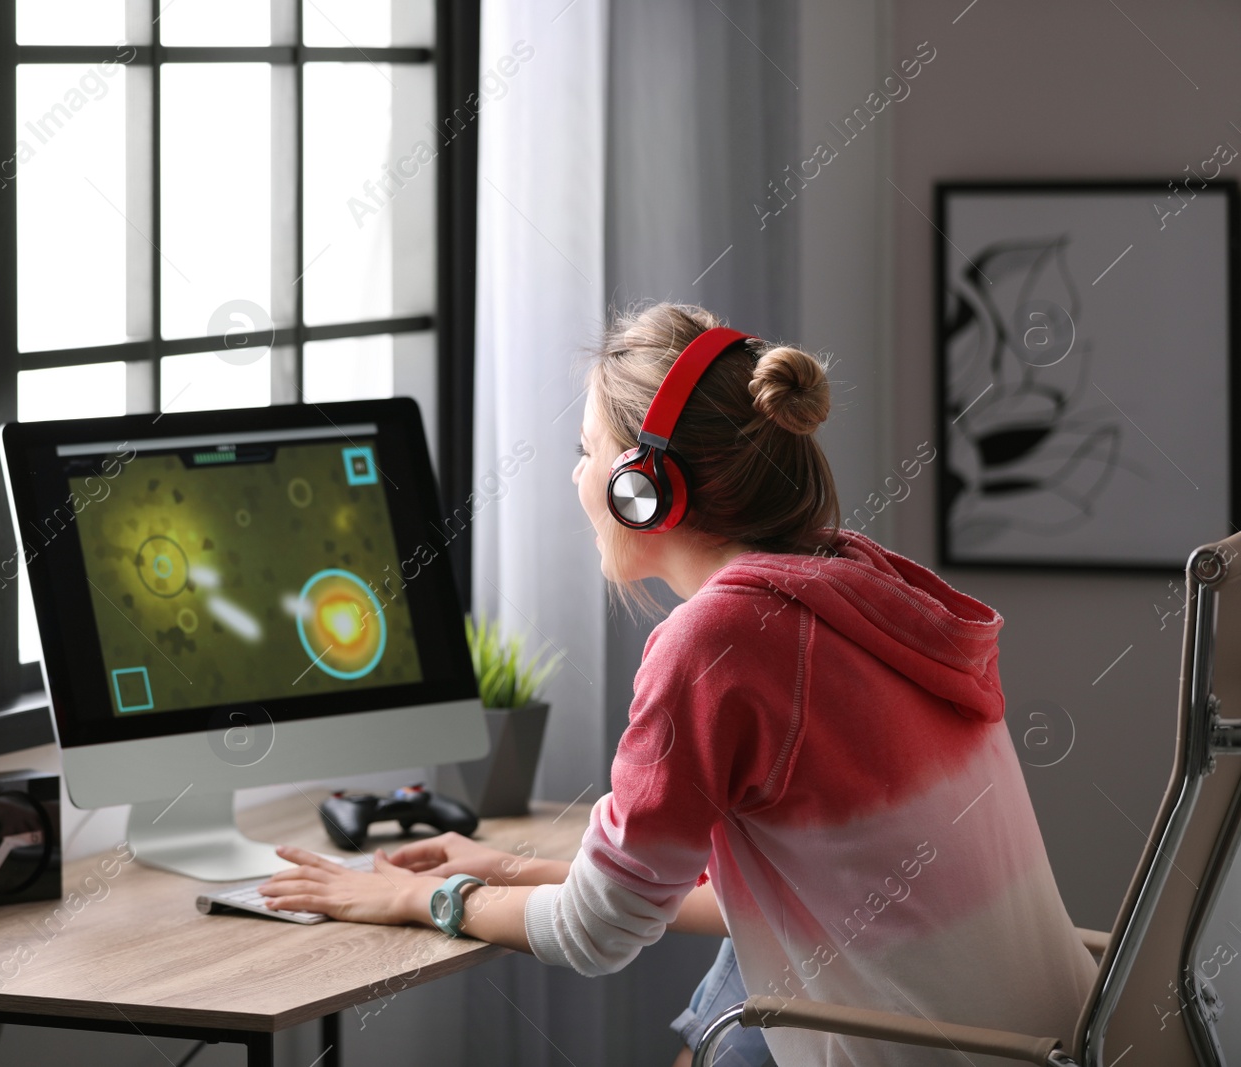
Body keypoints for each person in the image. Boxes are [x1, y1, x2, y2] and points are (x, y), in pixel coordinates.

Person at [258, 302, 1097, 1065]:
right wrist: (512, 867)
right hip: (1052, 1044)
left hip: (926, 1055)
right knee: (737, 979)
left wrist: (425, 898)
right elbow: (759, 892)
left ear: (642, 490)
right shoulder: (857, 589)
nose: (576, 477)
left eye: (586, 453)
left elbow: (598, 933)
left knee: (730, 1003)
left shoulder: (718, 642)